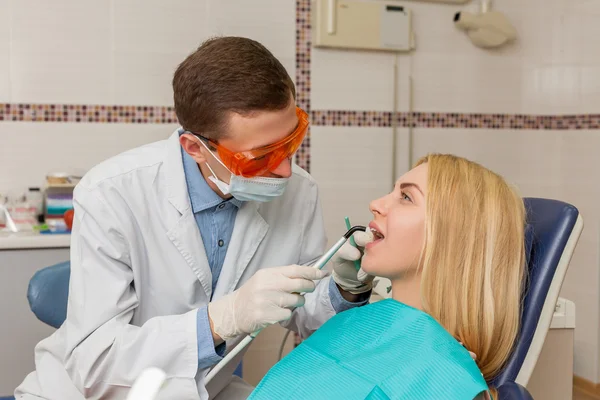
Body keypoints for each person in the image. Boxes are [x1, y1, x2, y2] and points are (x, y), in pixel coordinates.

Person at [15, 37, 373, 400]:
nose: (284, 170)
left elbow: (298, 306)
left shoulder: (299, 191)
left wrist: (343, 288)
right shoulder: (110, 193)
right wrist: (220, 320)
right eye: (259, 158)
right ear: (195, 148)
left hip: (206, 388)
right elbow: (96, 363)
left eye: (290, 143)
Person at [248, 154, 526, 400]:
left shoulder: (444, 375)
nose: (375, 204)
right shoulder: (361, 322)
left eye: (406, 197)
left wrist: (442, 370)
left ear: (452, 235)